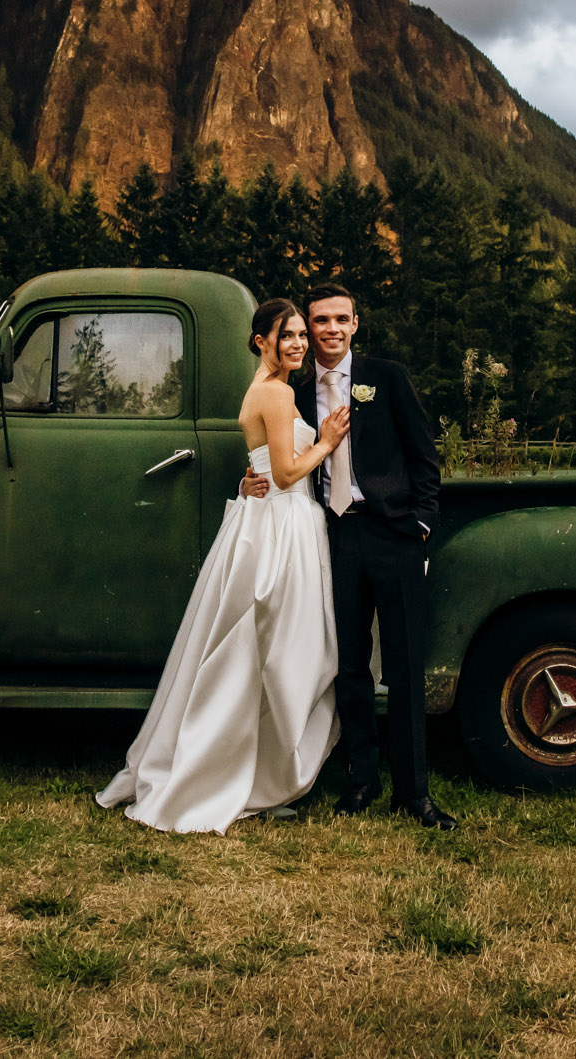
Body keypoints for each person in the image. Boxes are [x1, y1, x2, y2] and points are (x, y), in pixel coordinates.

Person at [96, 299, 351, 833]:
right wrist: (326, 443)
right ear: (262, 341)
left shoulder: (261, 390)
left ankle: (250, 768)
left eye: (303, 334)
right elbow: (283, 474)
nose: (300, 343)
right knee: (283, 653)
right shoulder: (278, 393)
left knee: (258, 652)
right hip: (282, 526)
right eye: (288, 336)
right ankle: (254, 774)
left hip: (261, 520)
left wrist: (247, 480)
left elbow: (261, 464)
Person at [243, 283, 454, 829]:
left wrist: (422, 523)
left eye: (341, 319)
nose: (330, 329)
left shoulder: (387, 377)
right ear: (307, 329)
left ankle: (415, 794)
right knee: (350, 664)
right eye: (319, 321)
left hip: (395, 534)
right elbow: (278, 452)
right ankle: (361, 780)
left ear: (355, 324)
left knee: (404, 665)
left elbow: (425, 456)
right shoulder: (295, 387)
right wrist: (254, 477)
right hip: (333, 537)